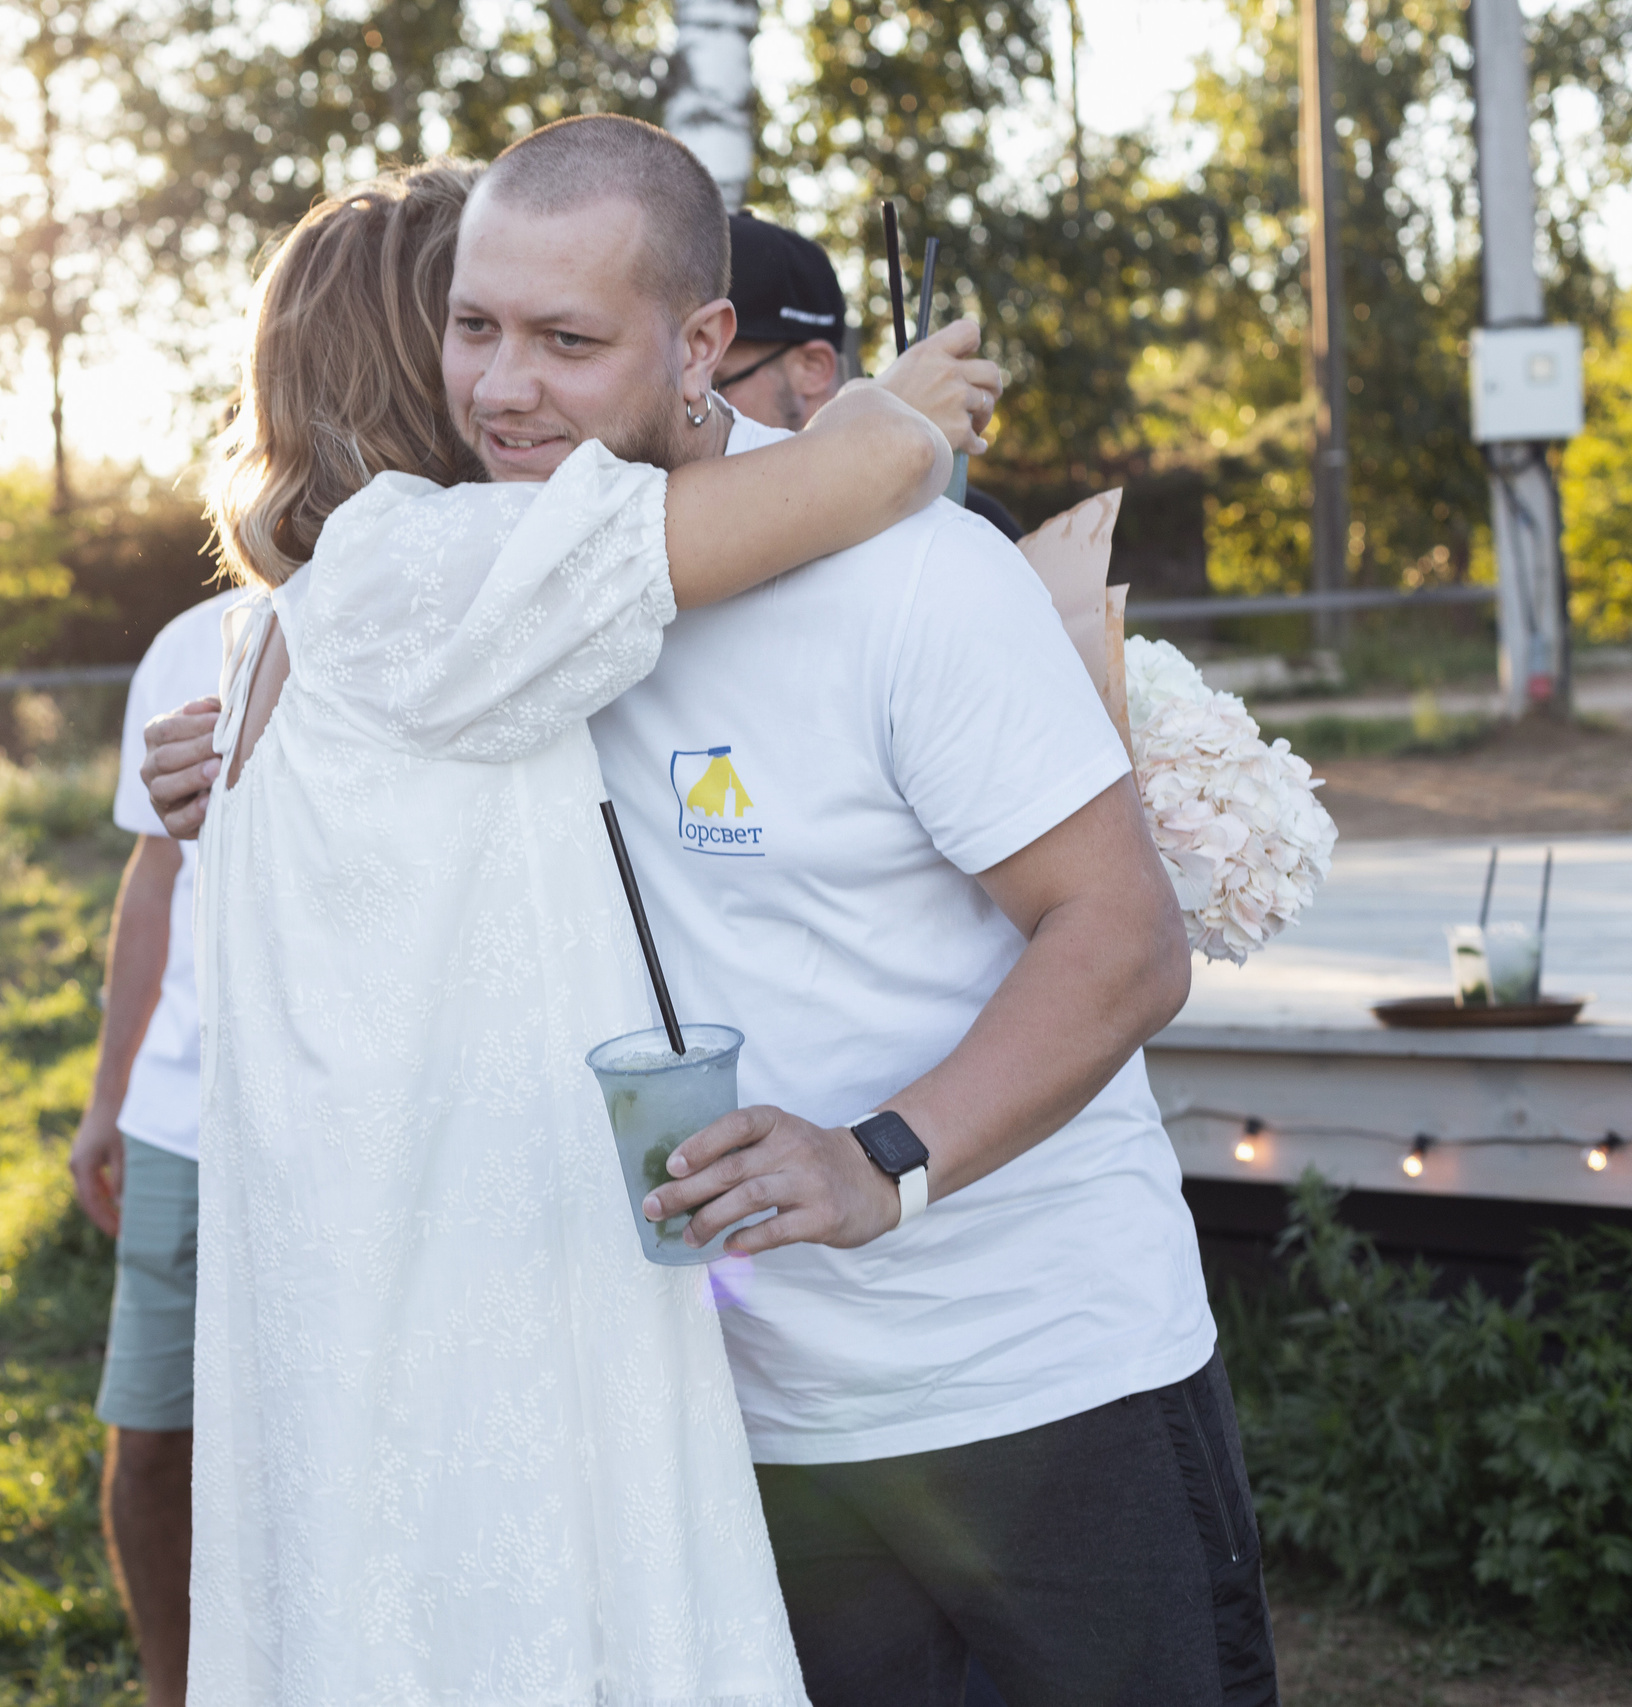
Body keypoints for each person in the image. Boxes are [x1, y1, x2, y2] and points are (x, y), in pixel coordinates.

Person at [146, 116, 1278, 1707]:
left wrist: (880, 1155)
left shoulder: (906, 577)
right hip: (727, 1417)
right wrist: (244, 753)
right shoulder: (501, 597)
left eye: (567, 340)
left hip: (1032, 1375)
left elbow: (1121, 937)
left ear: (702, 344)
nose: (504, 387)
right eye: (474, 329)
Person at [67, 585, 241, 1707]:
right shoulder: (186, 638)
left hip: (348, 1123)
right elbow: (153, 879)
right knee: (154, 1440)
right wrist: (106, 1097)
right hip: (181, 1117)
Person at [719, 210, 1025, 541]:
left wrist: (892, 432)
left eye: (715, 383)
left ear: (812, 368)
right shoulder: (698, 516)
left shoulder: (972, 525)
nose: (694, 407)